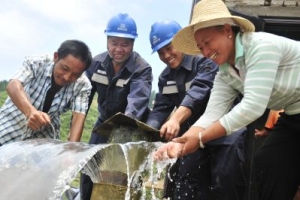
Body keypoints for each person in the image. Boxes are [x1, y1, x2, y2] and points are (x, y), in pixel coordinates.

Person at [153, 0, 300, 199]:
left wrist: (200, 139)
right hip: (294, 114)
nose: (205, 52)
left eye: (207, 42)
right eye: (200, 47)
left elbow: (252, 107)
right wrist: (181, 142)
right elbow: (212, 113)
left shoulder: (260, 46)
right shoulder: (225, 72)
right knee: (268, 163)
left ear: (226, 30)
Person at [147, 19, 247, 200]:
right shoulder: (165, 77)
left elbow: (199, 90)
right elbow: (161, 106)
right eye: (161, 53)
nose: (166, 55)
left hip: (224, 128)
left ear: (180, 43)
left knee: (225, 178)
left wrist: (176, 118)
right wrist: (148, 129)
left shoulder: (206, 61)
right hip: (193, 133)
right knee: (186, 182)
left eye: (169, 48)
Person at [80, 13, 153, 200]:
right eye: (114, 43)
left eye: (125, 44)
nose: (118, 49)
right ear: (107, 41)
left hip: (130, 126)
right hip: (103, 123)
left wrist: (120, 140)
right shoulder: (95, 64)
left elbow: (136, 102)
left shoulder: (141, 68)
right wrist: (76, 137)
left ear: (133, 44)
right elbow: (83, 100)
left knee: (124, 174)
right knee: (89, 165)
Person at [0, 40, 92, 145]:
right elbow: (13, 85)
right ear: (56, 57)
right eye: (64, 68)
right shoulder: (38, 62)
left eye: (75, 75)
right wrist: (30, 112)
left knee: (47, 159)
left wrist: (72, 150)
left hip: (44, 134)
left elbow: (78, 119)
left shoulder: (82, 85)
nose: (67, 77)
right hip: (13, 122)